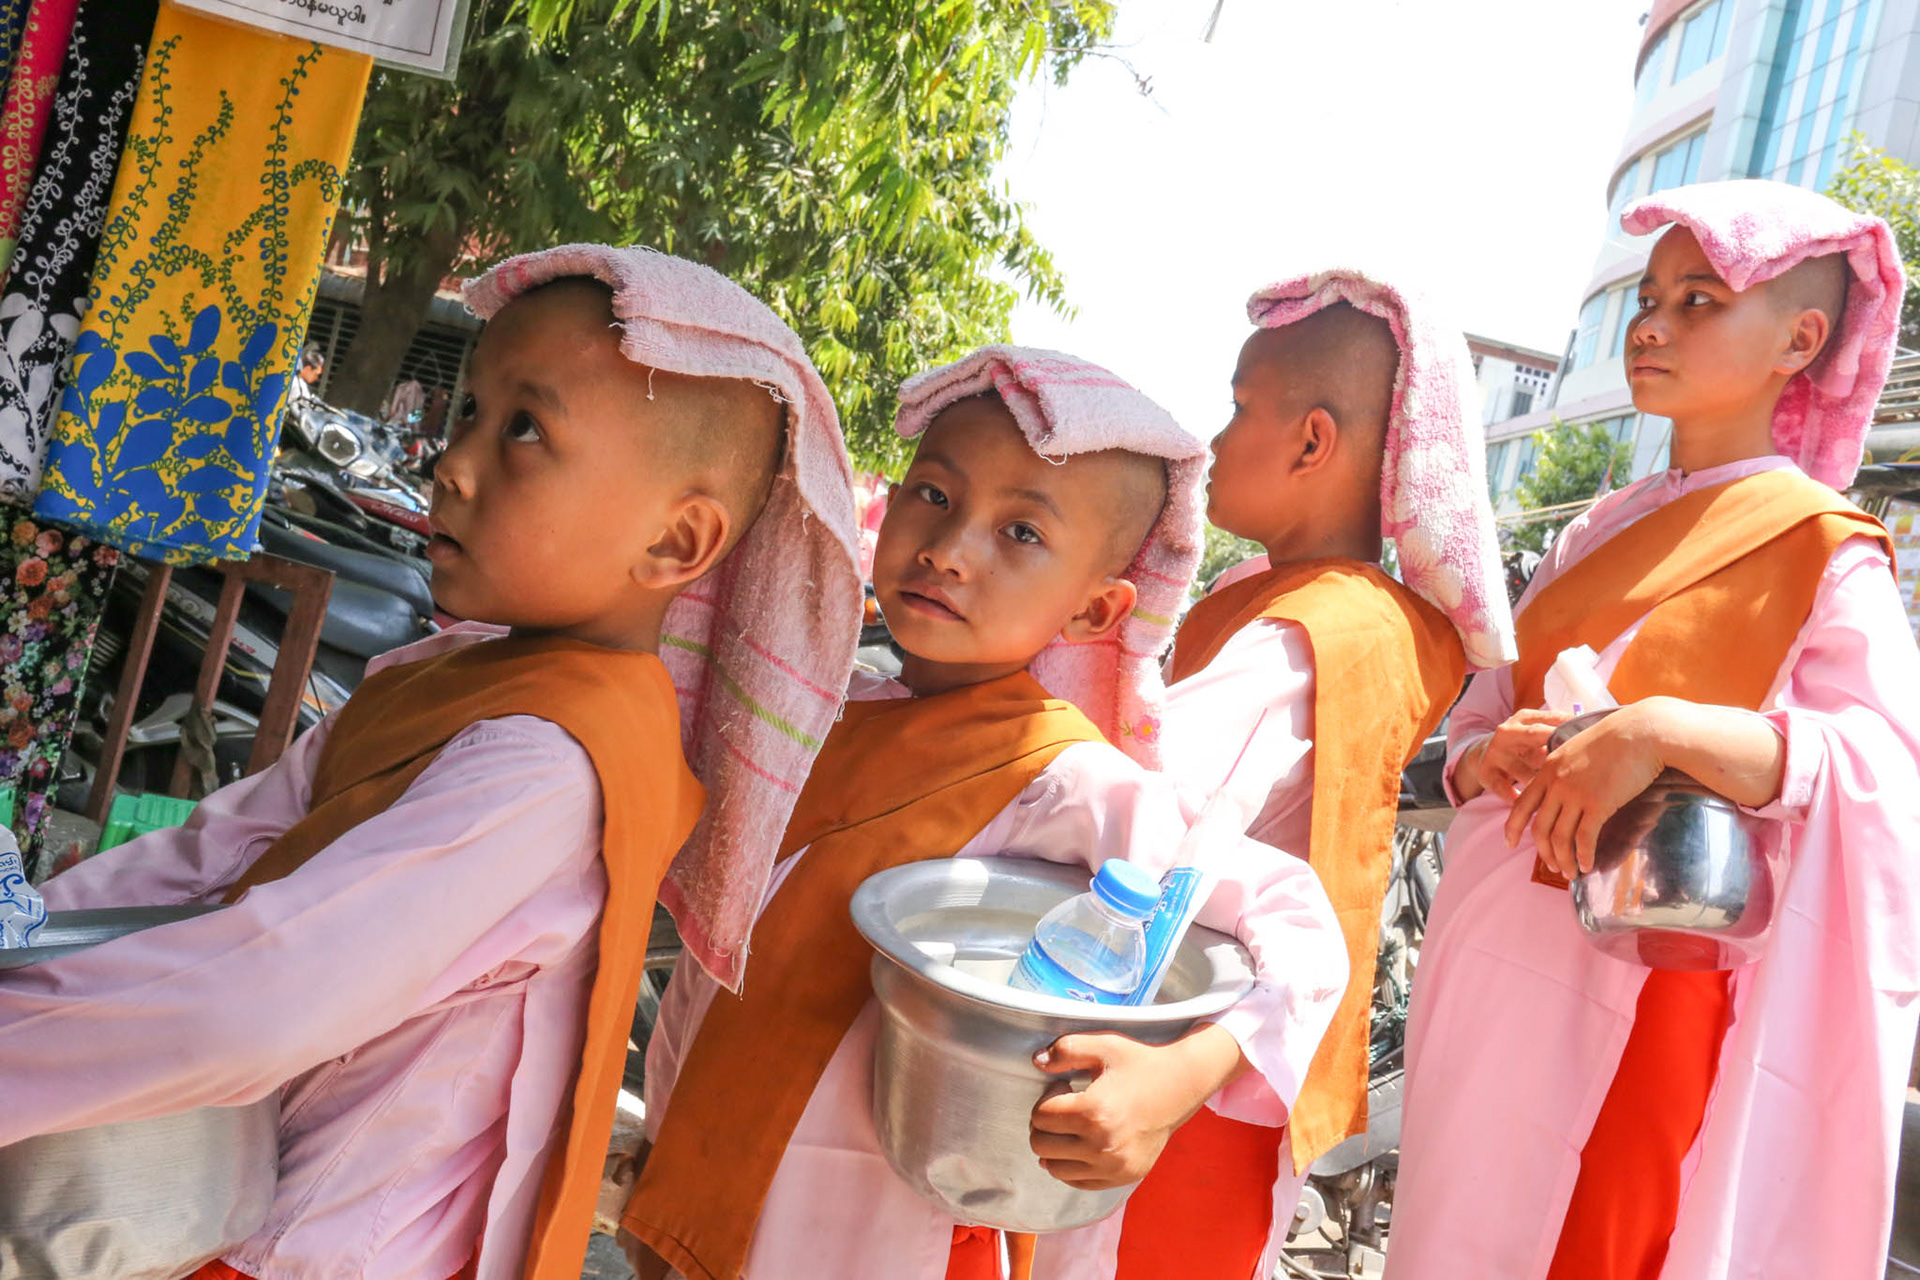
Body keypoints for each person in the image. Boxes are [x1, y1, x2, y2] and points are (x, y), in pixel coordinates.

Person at [0, 245, 864, 1280]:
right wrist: (28, 931)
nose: (452, 462)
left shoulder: (552, 768)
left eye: (525, 430)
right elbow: (210, 854)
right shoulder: (442, 672)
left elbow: (258, 996)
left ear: (677, 541)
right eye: (470, 411)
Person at [616, 346, 1350, 1280]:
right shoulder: (822, 722)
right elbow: (718, 968)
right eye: (934, 494)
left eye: (1021, 533)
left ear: (1096, 610)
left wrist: (1177, 1079)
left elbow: (1299, 927)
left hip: (887, 1242)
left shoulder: (1059, 774)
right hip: (713, 1196)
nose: (949, 548)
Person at [1388, 179, 1920, 1280]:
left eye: (1699, 300)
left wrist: (1666, 730)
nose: (1652, 324)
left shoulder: (1829, 551)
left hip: (1653, 986)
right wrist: (1492, 752)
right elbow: (1480, 718)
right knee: (1457, 1230)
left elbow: (1881, 775)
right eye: (1649, 298)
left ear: (1800, 341)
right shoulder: (1590, 531)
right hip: (1495, 970)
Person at [1038, 272, 1516, 1280]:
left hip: (1196, 1053)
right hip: (1207, 1025)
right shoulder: (1284, 596)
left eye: (1239, 407)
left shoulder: (1325, 625)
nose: (1216, 439)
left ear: (1311, 443)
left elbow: (1143, 781)